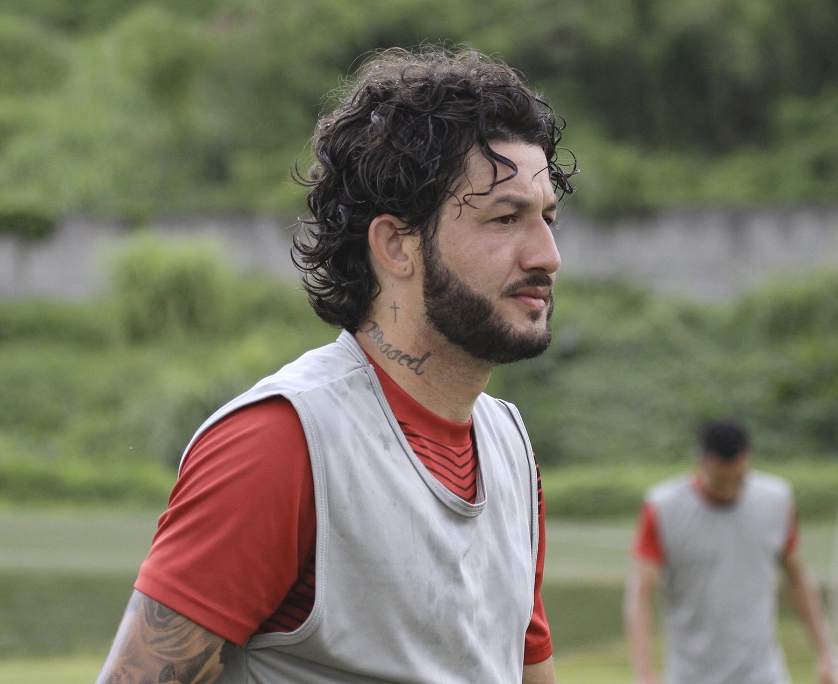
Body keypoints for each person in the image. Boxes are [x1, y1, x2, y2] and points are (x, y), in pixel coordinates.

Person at [97, 45, 577, 684]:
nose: (547, 255)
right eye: (505, 218)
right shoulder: (279, 443)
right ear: (396, 245)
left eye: (546, 217)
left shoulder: (511, 451)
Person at [623, 418, 838, 684]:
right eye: (721, 479)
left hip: (762, 672)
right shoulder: (662, 508)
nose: (729, 490)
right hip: (691, 674)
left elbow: (798, 581)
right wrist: (645, 674)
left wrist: (826, 654)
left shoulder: (777, 501)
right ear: (701, 460)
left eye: (737, 479)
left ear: (749, 459)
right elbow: (641, 595)